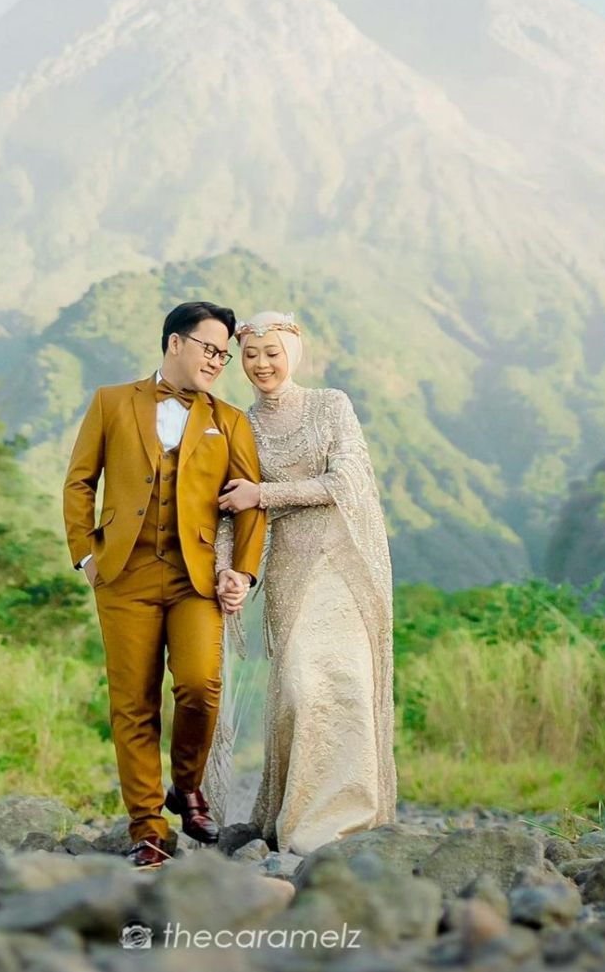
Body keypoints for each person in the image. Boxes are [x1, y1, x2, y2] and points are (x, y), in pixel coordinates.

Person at [63, 301, 266, 869]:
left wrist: (243, 572)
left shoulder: (228, 419)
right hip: (122, 574)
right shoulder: (110, 402)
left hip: (193, 578)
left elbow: (251, 504)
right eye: (210, 349)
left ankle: (187, 784)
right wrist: (86, 557)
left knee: (201, 686)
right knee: (133, 703)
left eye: (224, 355)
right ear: (175, 343)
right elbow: (80, 482)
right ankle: (148, 827)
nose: (217, 361)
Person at [217, 310, 397, 854]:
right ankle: (301, 817)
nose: (262, 364)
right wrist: (230, 569)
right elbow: (228, 508)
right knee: (300, 687)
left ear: (294, 354)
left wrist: (264, 495)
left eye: (273, 352)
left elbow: (348, 479)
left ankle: (351, 823)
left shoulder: (331, 404)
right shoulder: (239, 425)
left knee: (349, 684)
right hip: (291, 571)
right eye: (250, 354)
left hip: (347, 566)